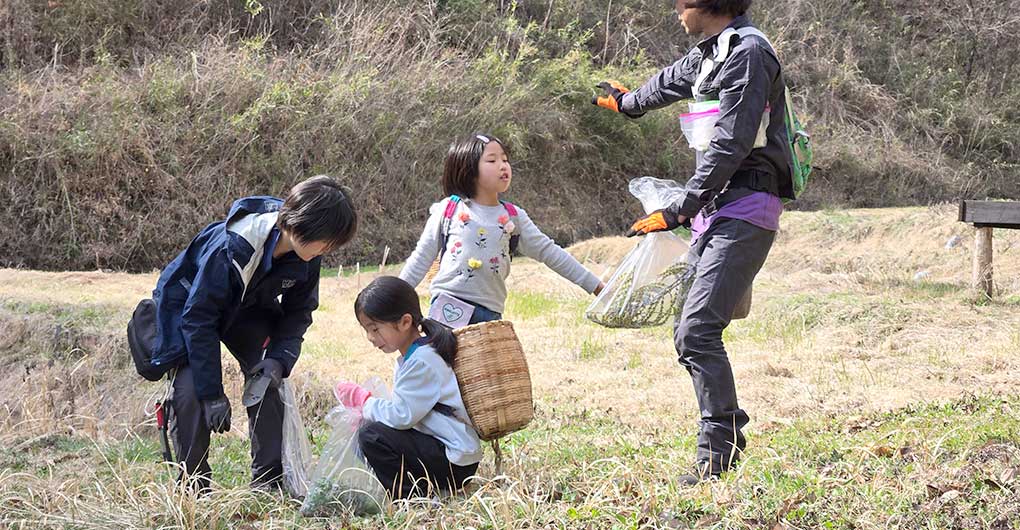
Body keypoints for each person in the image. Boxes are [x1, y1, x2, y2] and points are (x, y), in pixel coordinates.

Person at [593, 0, 794, 484]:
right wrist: (628, 103)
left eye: (680, 3)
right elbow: (669, 80)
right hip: (718, 207)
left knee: (697, 331)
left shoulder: (748, 53)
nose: (675, 11)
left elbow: (731, 143)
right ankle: (726, 436)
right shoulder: (714, 50)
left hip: (745, 206)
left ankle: (717, 452)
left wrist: (679, 209)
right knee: (693, 329)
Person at [142, 175, 357, 491]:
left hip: (248, 305)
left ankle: (268, 482)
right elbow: (198, 319)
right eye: (325, 240)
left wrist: (280, 359)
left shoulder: (308, 255)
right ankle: (193, 483)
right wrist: (212, 393)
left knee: (266, 379)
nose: (328, 248)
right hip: (188, 305)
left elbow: (300, 311)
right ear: (300, 226)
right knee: (190, 391)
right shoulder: (234, 245)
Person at [399, 132, 604, 327]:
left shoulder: (514, 216)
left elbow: (550, 253)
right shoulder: (449, 210)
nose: (503, 166)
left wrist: (595, 286)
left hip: (491, 313)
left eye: (505, 160)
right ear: (468, 169)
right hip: (447, 308)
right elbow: (421, 259)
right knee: (441, 363)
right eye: (492, 160)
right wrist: (388, 299)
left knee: (489, 365)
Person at [334, 276, 482, 498]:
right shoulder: (420, 353)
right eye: (367, 330)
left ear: (404, 322)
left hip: (454, 461)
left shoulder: (421, 361)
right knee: (369, 431)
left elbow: (402, 416)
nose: (370, 338)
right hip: (453, 454)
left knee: (371, 435)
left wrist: (364, 401)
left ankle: (411, 497)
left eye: (375, 329)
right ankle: (421, 488)